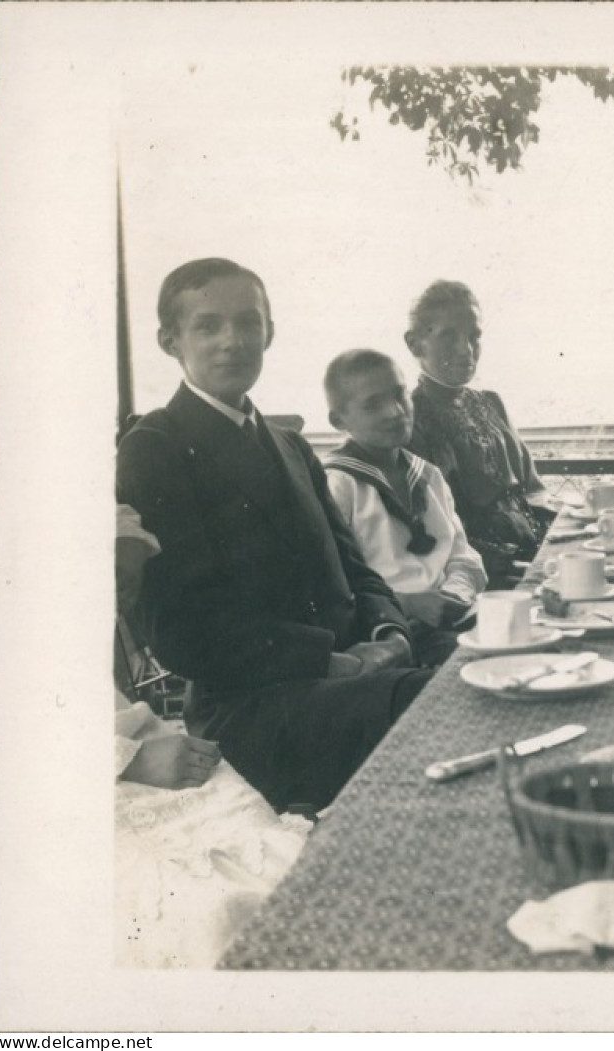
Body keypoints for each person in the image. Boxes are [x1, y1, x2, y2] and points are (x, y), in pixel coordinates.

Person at [117, 258, 430, 812]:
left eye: (248, 323)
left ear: (270, 332)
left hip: (350, 676)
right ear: (170, 341)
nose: (232, 341)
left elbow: (355, 568)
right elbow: (181, 630)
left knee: (487, 662)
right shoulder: (156, 447)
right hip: (253, 712)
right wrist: (332, 662)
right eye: (208, 326)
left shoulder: (290, 445)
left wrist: (391, 632)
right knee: (434, 700)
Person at [114, 504, 310, 968]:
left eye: (126, 581)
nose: (116, 594)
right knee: (206, 911)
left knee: (277, 868)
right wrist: (129, 759)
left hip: (138, 743)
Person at [322, 349, 487, 667]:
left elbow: (463, 557)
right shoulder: (337, 484)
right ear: (338, 420)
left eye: (400, 395)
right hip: (386, 633)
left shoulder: (428, 475)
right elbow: (334, 588)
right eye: (373, 405)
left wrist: (454, 594)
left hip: (450, 619)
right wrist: (409, 605)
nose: (395, 412)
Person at [403, 280, 557, 588]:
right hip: (480, 575)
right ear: (415, 344)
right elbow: (427, 532)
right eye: (449, 336)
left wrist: (558, 539)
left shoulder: (492, 403)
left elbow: (534, 490)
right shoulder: (407, 422)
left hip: (535, 556)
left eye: (474, 336)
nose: (466, 349)